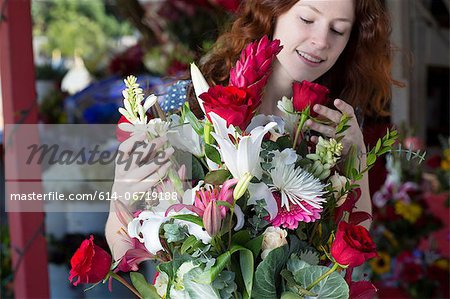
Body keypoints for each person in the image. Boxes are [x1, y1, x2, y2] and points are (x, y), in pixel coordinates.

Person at [106, 0, 401, 260]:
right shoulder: (189, 102)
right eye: (308, 19)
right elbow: (122, 240)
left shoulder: (334, 124)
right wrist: (122, 191)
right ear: (273, 11)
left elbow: (354, 240)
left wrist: (357, 157)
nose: (322, 40)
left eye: (338, 30)